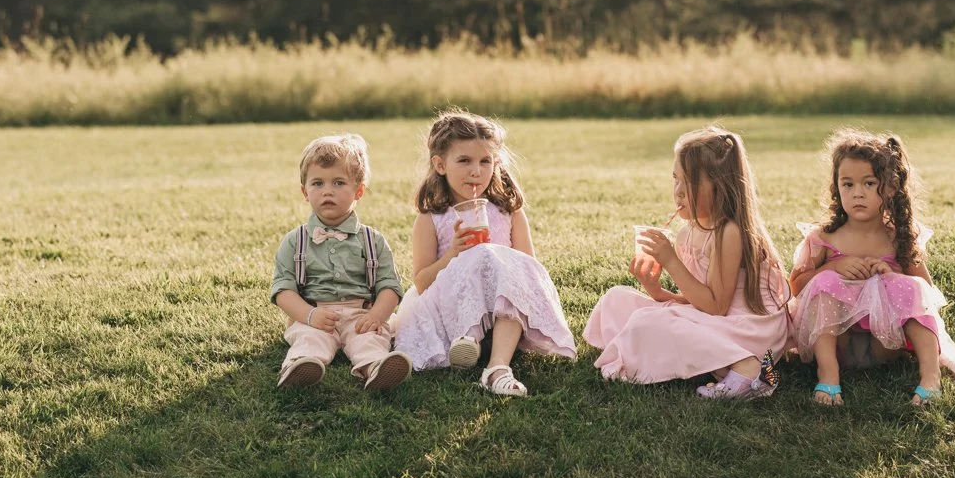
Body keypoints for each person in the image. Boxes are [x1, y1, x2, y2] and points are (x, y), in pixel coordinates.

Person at [586, 125, 790, 400]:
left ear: (721, 186)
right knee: (617, 298)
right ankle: (695, 356)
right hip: (716, 317)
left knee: (651, 323)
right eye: (675, 179)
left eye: (691, 183)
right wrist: (658, 293)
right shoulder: (688, 231)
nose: (679, 191)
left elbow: (716, 307)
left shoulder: (728, 232)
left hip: (746, 327)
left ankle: (749, 368)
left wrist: (671, 261)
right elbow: (699, 299)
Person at [393, 110, 576, 396]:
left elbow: (529, 271)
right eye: (464, 160)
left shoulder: (508, 212)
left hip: (503, 315)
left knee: (502, 262)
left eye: (485, 161)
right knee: (481, 255)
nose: (476, 171)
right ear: (440, 165)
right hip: (450, 314)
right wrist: (453, 253)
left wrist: (493, 258)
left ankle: (497, 367)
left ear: (496, 163)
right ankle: (469, 337)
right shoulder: (431, 219)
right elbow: (421, 282)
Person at [787, 129, 955, 407]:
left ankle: (930, 377)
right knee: (824, 283)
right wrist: (833, 267)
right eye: (847, 184)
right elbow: (797, 286)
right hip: (839, 345)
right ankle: (828, 376)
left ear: (890, 187)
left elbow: (926, 293)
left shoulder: (898, 236)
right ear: (836, 187)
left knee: (907, 286)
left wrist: (892, 276)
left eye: (869, 183)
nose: (857, 193)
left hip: (884, 345)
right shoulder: (825, 237)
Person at [270, 134, 412, 390]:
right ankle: (301, 366)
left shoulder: (373, 240)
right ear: (305, 192)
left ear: (358, 190)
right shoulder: (295, 241)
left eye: (338, 182)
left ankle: (377, 368)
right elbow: (283, 290)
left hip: (361, 313)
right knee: (310, 338)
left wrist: (377, 316)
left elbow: (389, 286)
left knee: (368, 339)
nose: (327, 191)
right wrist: (309, 315)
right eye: (317, 183)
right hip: (313, 312)